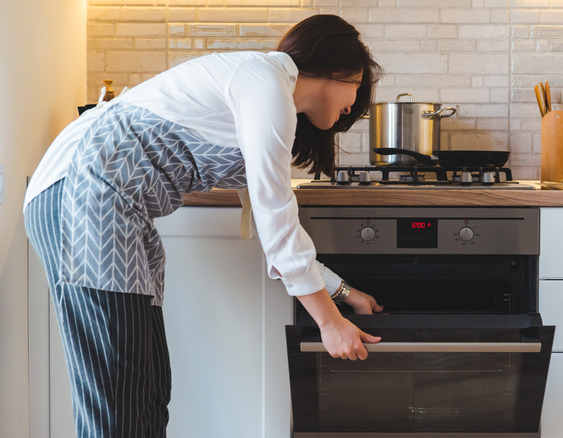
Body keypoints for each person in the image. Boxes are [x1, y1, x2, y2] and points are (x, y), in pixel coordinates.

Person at [23, 14, 383, 438]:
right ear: (342, 72)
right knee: (118, 401)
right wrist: (329, 323)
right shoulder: (264, 84)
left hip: (110, 209)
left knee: (147, 392)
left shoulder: (265, 95)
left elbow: (275, 236)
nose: (354, 107)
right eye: (358, 89)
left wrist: (343, 294)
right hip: (83, 198)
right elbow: (278, 221)